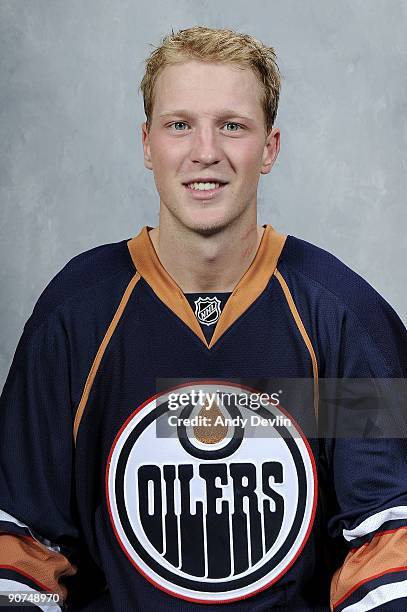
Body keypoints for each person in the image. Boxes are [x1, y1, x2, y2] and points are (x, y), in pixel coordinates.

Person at [1, 25, 407, 612]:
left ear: (269, 147)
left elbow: (386, 540)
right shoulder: (78, 316)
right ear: (148, 144)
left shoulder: (341, 317)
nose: (205, 151)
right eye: (180, 124)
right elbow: (21, 545)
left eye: (232, 126)